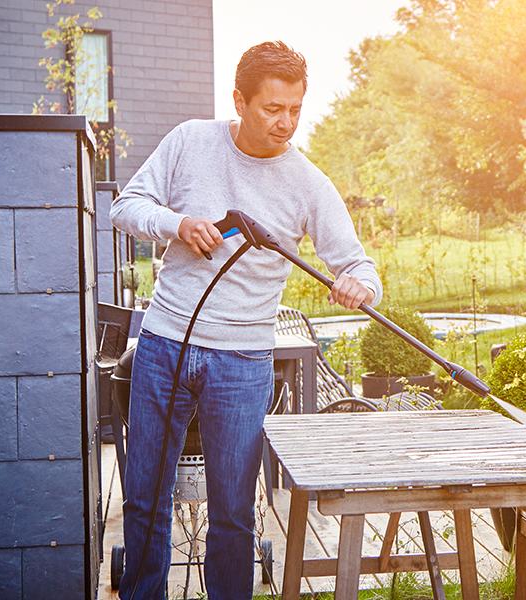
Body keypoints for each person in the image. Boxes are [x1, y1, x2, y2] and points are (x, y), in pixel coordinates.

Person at [109, 41, 381, 599]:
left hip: (243, 363)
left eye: (295, 109)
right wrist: (178, 224)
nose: (286, 122)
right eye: (272, 109)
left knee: (234, 513)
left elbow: (358, 264)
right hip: (165, 346)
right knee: (144, 499)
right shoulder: (190, 141)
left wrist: (360, 284)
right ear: (240, 99)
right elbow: (125, 206)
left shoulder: (306, 182)